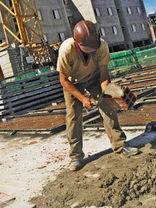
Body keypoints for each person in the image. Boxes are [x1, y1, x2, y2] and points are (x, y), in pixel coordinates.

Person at [57, 20, 139, 171]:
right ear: (77, 42)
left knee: (108, 108)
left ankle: (120, 145)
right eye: (87, 48)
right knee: (73, 117)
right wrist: (82, 98)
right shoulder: (66, 51)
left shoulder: (101, 46)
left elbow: (103, 75)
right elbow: (63, 80)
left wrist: (109, 94)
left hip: (95, 77)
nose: (90, 50)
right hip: (73, 82)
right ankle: (76, 157)